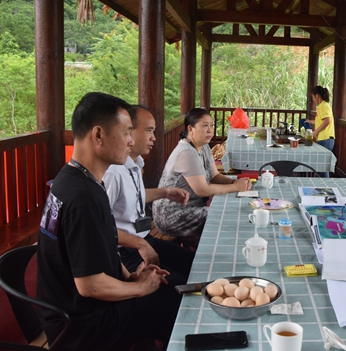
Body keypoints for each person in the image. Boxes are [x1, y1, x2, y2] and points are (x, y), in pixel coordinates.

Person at [36, 92, 179, 351]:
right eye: (126, 133)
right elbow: (90, 285)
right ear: (98, 135)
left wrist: (130, 277)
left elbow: (102, 245)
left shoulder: (74, 179)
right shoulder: (82, 197)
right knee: (176, 305)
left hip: (77, 310)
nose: (130, 141)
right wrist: (140, 288)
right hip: (82, 323)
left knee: (168, 292)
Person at [104, 105, 194, 286]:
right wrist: (139, 245)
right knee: (178, 288)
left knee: (195, 265)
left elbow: (132, 196)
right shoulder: (113, 173)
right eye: (149, 130)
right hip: (125, 251)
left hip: (144, 238)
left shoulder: (135, 163)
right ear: (129, 131)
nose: (154, 137)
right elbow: (101, 227)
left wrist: (165, 192)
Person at [153, 108, 251, 247]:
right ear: (190, 129)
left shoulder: (204, 147)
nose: (210, 130)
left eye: (212, 125)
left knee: (226, 215)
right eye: (205, 125)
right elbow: (202, 190)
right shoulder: (186, 152)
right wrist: (235, 187)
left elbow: (215, 176)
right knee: (223, 216)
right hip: (171, 214)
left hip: (191, 207)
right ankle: (214, 252)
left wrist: (234, 182)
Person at [306, 86, 335, 177]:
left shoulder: (324, 105)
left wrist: (315, 131)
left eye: (313, 97)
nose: (313, 99)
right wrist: (309, 121)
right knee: (321, 165)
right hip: (323, 139)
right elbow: (320, 121)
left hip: (326, 139)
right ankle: (322, 182)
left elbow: (327, 121)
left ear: (317, 96)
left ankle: (324, 183)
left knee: (322, 166)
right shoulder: (322, 106)